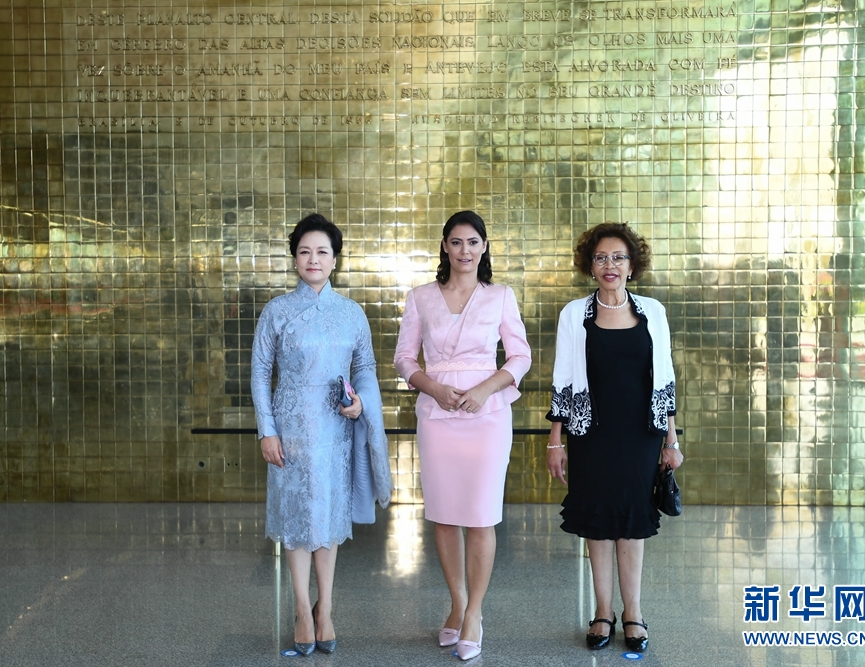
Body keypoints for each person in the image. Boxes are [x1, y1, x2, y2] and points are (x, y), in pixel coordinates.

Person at [251, 213, 392, 656]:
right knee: (296, 519)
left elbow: (365, 367)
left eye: (322, 252)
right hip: (290, 431)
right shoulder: (276, 311)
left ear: (335, 260)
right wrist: (267, 430)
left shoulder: (351, 313)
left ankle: (325, 607)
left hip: (336, 430)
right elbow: (260, 372)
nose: (313, 259)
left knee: (329, 517)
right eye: (305, 251)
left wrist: (361, 404)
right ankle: (300, 608)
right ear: (295, 259)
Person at [394, 211, 532, 661]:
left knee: (480, 515)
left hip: (487, 416)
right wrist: (433, 387)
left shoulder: (501, 296)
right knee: (445, 515)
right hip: (437, 416)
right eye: (456, 242)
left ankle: (474, 612)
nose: (465, 250)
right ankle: (456, 602)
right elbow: (403, 359)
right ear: (445, 246)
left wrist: (484, 389)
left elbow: (520, 356)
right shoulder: (420, 297)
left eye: (473, 242)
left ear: (484, 246)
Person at [546, 222, 684, 653]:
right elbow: (563, 380)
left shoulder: (653, 312)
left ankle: (633, 613)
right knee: (599, 522)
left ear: (632, 265)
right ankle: (603, 611)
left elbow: (665, 378)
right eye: (601, 257)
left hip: (640, 434)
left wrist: (671, 440)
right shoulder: (574, 314)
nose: (610, 265)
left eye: (619, 257)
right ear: (590, 265)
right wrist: (556, 441)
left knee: (633, 523)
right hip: (590, 432)